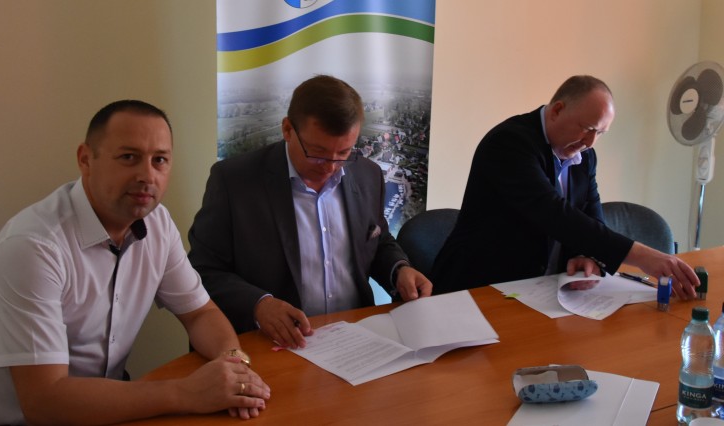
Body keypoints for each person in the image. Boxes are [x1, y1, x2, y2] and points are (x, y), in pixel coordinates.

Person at [0, 100, 270, 425]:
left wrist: (234, 363)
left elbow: (200, 313)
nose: (147, 175)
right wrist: (186, 392)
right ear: (85, 159)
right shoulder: (33, 247)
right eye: (129, 157)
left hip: (109, 406)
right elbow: (44, 401)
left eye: (159, 160)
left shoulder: (158, 223)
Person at [188, 75, 432, 349]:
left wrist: (399, 270)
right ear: (287, 129)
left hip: (356, 339)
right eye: (317, 152)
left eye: (344, 152)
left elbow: (377, 241)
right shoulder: (235, 181)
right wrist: (259, 304)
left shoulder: (367, 174)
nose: (330, 167)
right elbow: (203, 269)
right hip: (278, 346)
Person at [430, 75, 699, 297]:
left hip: (544, 291)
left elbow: (590, 212)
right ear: (557, 110)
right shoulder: (509, 143)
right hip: (479, 287)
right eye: (588, 128)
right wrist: (641, 256)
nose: (590, 142)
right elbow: (553, 213)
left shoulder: (584, 155)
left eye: (600, 133)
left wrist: (587, 255)